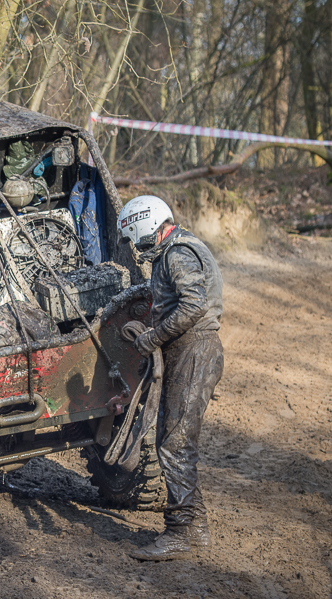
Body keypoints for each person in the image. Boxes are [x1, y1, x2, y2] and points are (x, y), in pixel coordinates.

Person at [117, 195, 224, 561]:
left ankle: (179, 533)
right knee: (174, 440)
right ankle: (197, 528)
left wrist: (152, 337)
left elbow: (194, 305)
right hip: (193, 351)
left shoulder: (177, 254)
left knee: (174, 444)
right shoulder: (180, 248)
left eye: (137, 239)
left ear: (146, 228)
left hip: (194, 352)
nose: (138, 248)